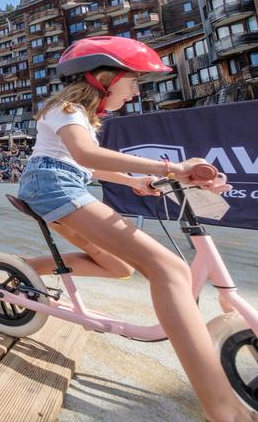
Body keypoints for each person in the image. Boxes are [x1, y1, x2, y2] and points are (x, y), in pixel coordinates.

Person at [15, 36, 251, 422]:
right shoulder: (68, 108)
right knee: (170, 268)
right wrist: (170, 168)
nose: (136, 89)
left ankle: (24, 267)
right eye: (134, 80)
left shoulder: (81, 117)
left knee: (119, 266)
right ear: (104, 78)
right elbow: (85, 156)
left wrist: (132, 182)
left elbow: (87, 166)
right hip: (52, 185)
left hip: (61, 183)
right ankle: (224, 409)